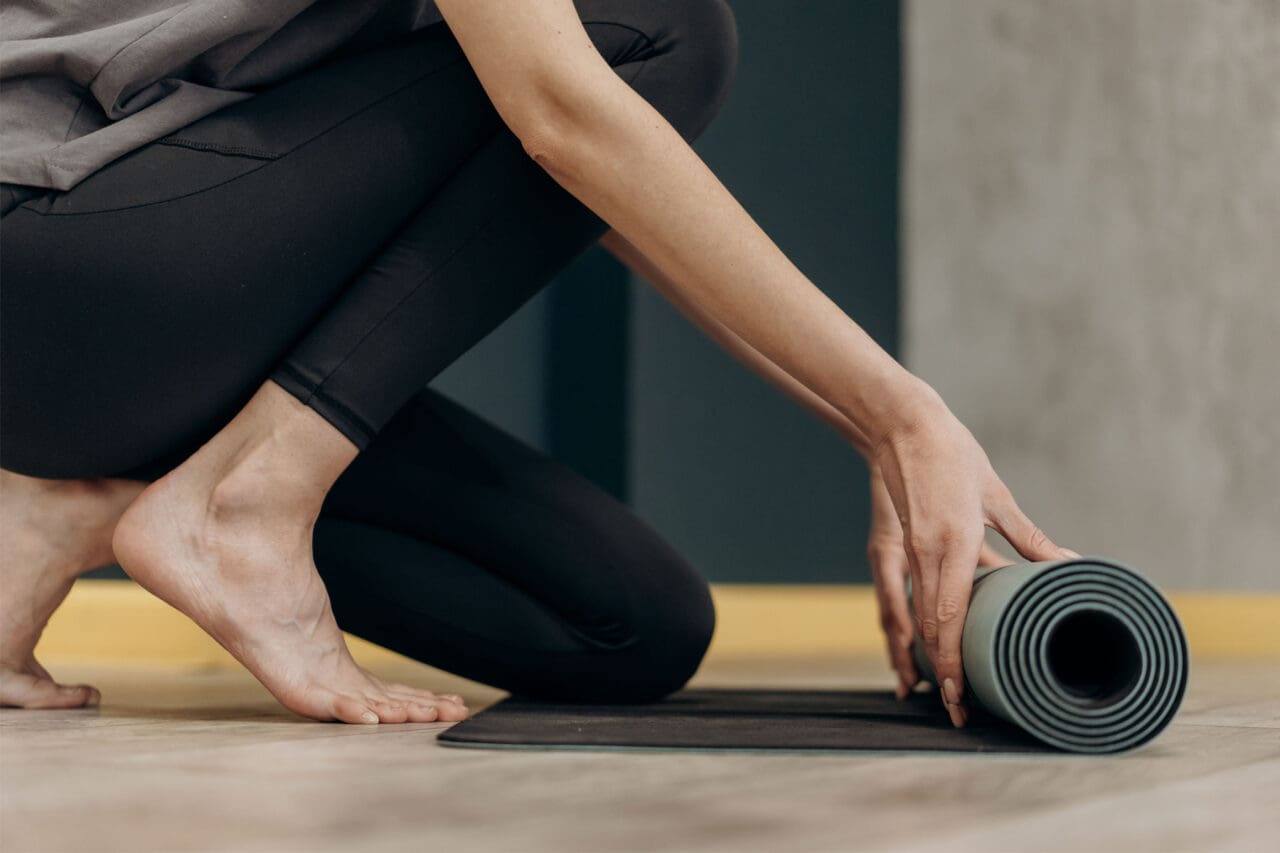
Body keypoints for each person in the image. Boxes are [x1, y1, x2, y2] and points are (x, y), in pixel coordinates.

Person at [0, 0, 1076, 727]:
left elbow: (573, 175)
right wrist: (901, 412)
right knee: (659, 25)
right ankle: (240, 505)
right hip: (55, 257)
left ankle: (70, 497)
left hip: (114, 290)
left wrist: (879, 440)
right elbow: (568, 115)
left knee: (625, 624)